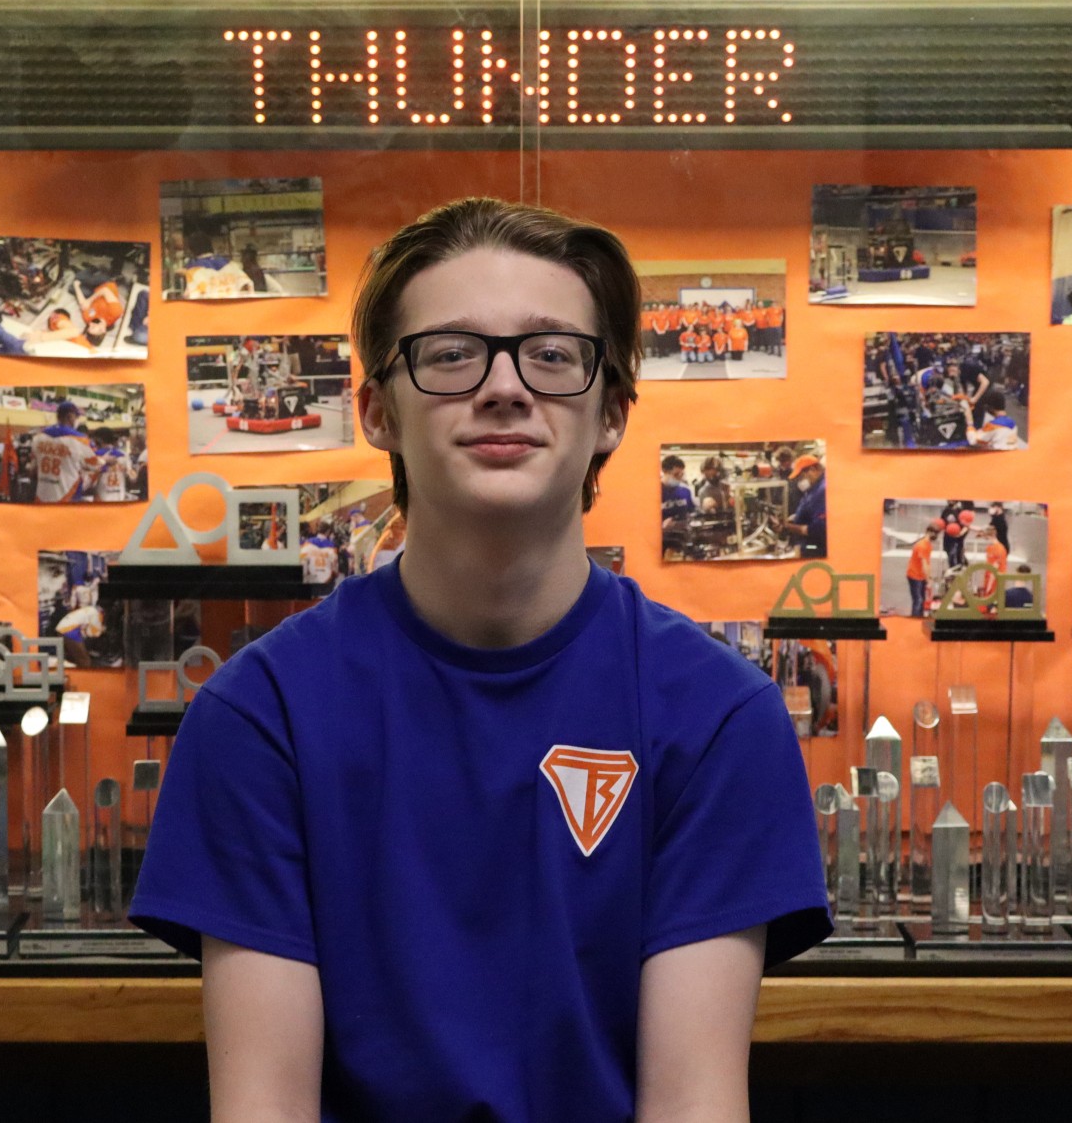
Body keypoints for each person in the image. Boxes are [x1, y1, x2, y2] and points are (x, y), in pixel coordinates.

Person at [129, 197, 828, 1122]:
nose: (504, 386)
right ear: (376, 410)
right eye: (453, 353)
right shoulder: (261, 719)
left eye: (553, 354)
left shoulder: (716, 719)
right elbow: (265, 1106)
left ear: (613, 412)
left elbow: (693, 1102)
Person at [31, 401, 98, 503]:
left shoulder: (38, 437)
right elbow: (95, 465)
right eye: (76, 417)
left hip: (42, 497)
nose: (76, 421)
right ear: (69, 417)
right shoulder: (80, 440)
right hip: (68, 497)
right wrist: (106, 460)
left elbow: (32, 470)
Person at [783, 453, 827, 557]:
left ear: (812, 470)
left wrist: (790, 527)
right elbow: (810, 507)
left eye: (801, 477)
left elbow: (819, 529)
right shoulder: (813, 488)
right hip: (806, 545)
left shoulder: (822, 490)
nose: (799, 481)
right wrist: (796, 517)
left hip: (816, 549)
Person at [906, 525, 938, 616]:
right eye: (934, 533)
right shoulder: (922, 546)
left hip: (921, 576)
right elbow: (924, 565)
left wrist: (929, 577)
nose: (935, 535)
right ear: (928, 532)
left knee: (922, 600)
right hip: (914, 576)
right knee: (918, 600)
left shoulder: (928, 545)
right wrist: (928, 581)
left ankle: (919, 618)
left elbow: (928, 564)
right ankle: (915, 620)